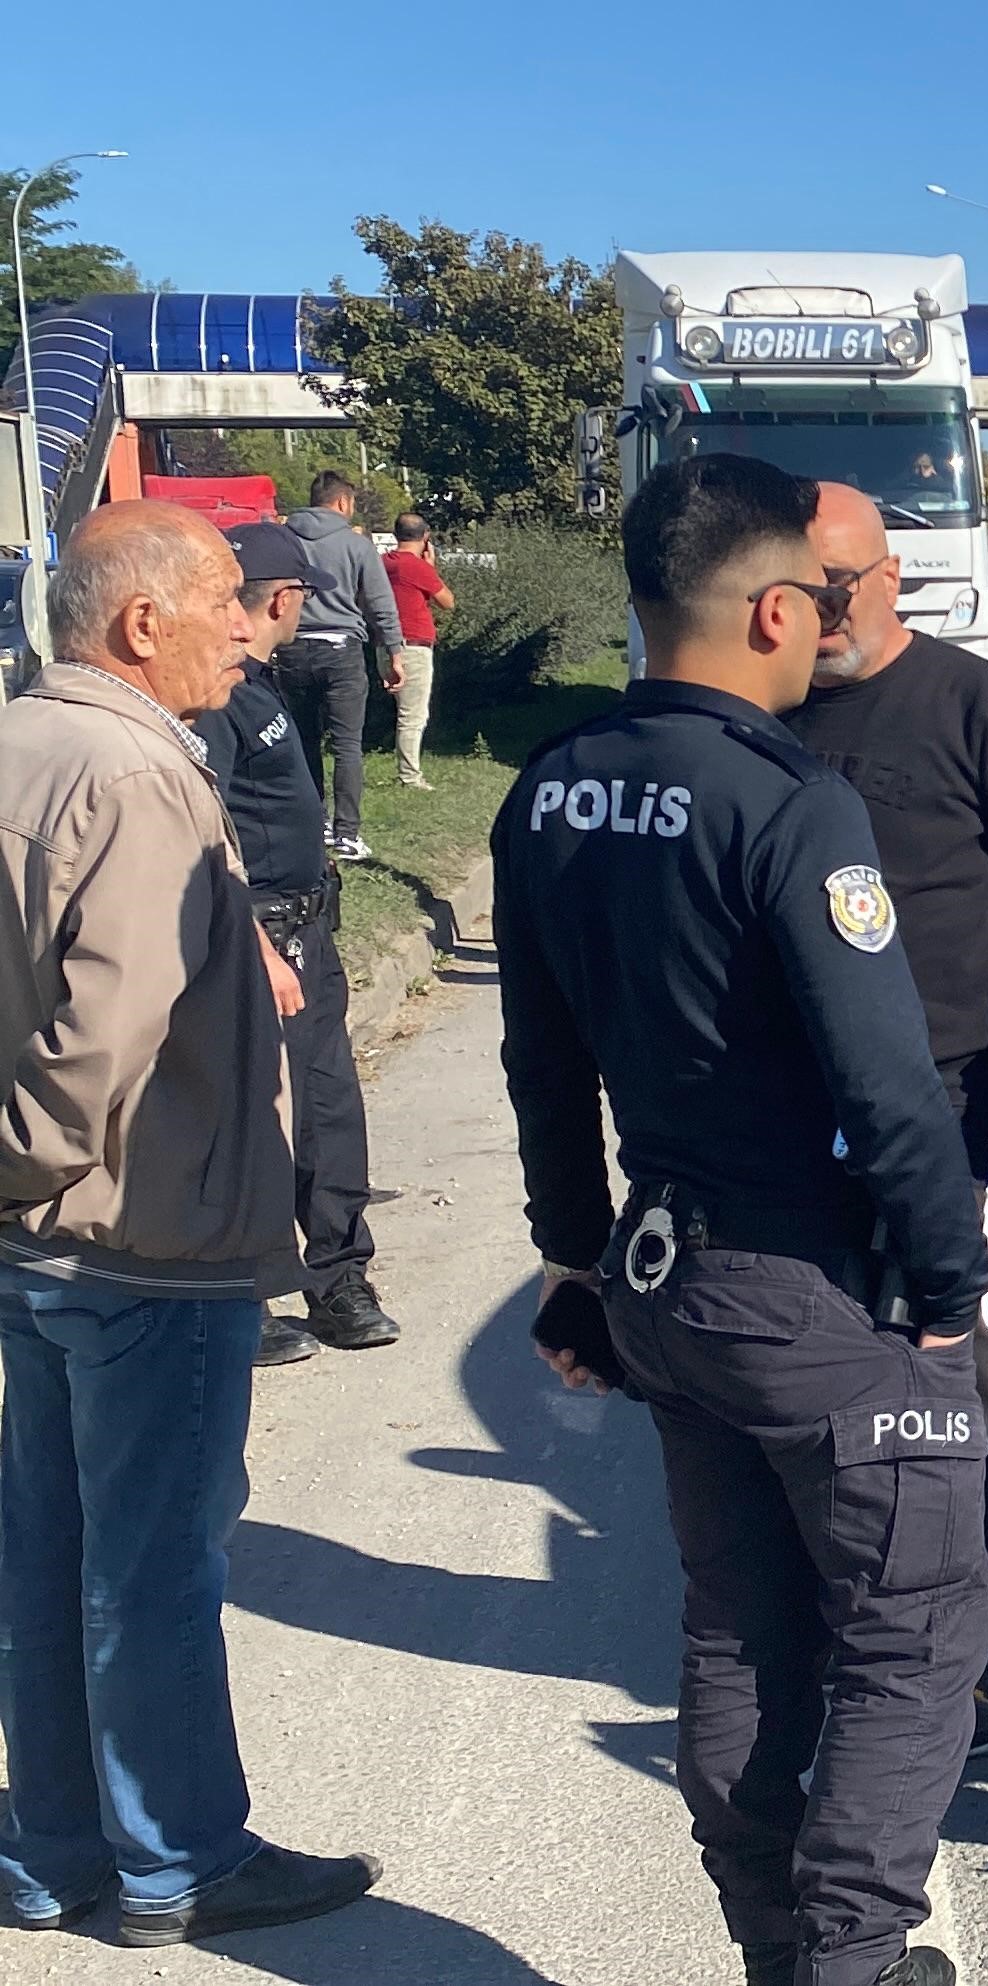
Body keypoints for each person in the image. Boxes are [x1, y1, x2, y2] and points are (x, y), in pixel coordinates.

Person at [498, 455, 988, 1986]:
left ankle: (781, 1945)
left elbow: (539, 1056)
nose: (835, 623)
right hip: (814, 1289)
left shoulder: (551, 783)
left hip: (667, 1278)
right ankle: (852, 1962)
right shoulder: (789, 801)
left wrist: (578, 1261)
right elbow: (888, 1081)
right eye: (830, 599)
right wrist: (947, 1287)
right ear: (776, 606)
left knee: (739, 1626)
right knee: (915, 1636)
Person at [0, 501, 379, 1948]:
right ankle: (179, 1857)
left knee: (41, 1554)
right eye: (225, 596)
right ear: (140, 621)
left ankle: (51, 1851)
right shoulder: (137, 770)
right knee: (151, 1564)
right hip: (136, 1231)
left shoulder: (27, 739)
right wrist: (33, 1157)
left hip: (41, 1242)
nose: (254, 620)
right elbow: (105, 1029)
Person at [788, 482, 988, 1757]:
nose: (811, 614)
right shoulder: (762, 718)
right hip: (799, 1101)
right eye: (790, 588)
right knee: (826, 1365)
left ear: (885, 580)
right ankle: (878, 1616)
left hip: (959, 1097)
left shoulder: (977, 707)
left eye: (832, 586)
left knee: (967, 1363)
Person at [193, 522, 401, 1366]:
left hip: (306, 926)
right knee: (249, 1116)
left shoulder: (258, 681)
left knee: (326, 1109)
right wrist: (256, 941)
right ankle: (244, 1297)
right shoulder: (217, 697)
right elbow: (203, 832)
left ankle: (339, 1278)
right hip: (259, 935)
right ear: (287, 600)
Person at [276, 470, 405, 864]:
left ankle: (311, 825)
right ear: (343, 503)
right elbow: (380, 603)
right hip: (342, 649)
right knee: (347, 744)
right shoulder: (356, 544)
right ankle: (346, 833)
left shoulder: (285, 539)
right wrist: (394, 652)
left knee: (303, 739)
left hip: (293, 648)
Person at [380, 513, 453, 789]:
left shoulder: (382, 563)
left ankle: (406, 770)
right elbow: (447, 601)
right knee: (413, 715)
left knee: (402, 712)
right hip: (413, 647)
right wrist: (431, 568)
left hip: (384, 644)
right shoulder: (417, 567)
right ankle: (410, 776)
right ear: (425, 538)